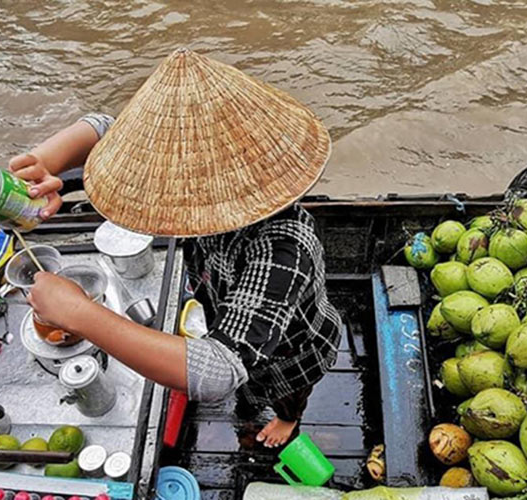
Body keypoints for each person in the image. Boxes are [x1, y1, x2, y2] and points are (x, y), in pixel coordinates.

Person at [18, 49, 342, 448]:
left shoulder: (283, 247)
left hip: (293, 349)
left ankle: (288, 421)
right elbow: (104, 130)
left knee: (284, 393)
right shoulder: (198, 180)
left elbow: (220, 368)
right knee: (248, 393)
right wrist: (47, 163)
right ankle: (257, 407)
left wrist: (80, 314)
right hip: (227, 307)